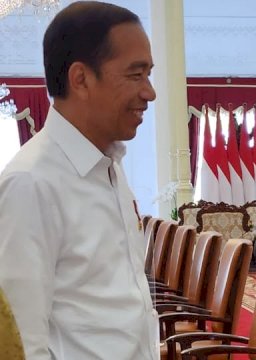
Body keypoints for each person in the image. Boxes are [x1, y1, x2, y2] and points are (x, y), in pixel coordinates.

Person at [0, 2, 158, 359]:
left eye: (149, 74)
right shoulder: (31, 184)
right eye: (135, 75)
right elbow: (21, 345)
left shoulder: (109, 166)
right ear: (81, 79)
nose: (150, 92)